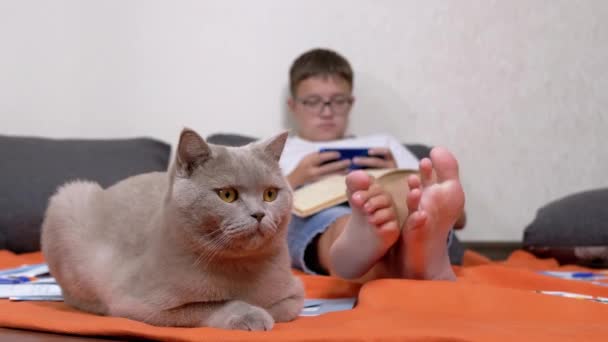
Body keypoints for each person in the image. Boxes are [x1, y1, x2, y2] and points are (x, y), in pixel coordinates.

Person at [281, 48, 466, 282]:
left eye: (338, 101)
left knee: (409, 204)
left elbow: (459, 219)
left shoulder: (383, 144)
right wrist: (295, 179)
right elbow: (251, 212)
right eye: (313, 102)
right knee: (336, 218)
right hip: (317, 214)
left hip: (393, 209)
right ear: (293, 105)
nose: (326, 112)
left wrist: (393, 173)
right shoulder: (279, 149)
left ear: (351, 103)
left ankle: (405, 247)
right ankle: (394, 253)